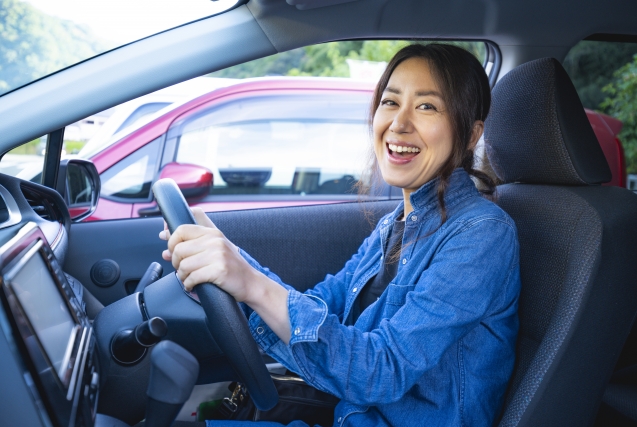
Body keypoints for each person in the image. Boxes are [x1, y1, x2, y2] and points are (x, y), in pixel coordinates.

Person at [160, 44, 521, 427]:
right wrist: (226, 255)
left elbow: (382, 370)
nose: (399, 123)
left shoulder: (483, 236)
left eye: (427, 106)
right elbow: (319, 305)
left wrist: (248, 282)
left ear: (470, 135)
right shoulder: (394, 225)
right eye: (390, 102)